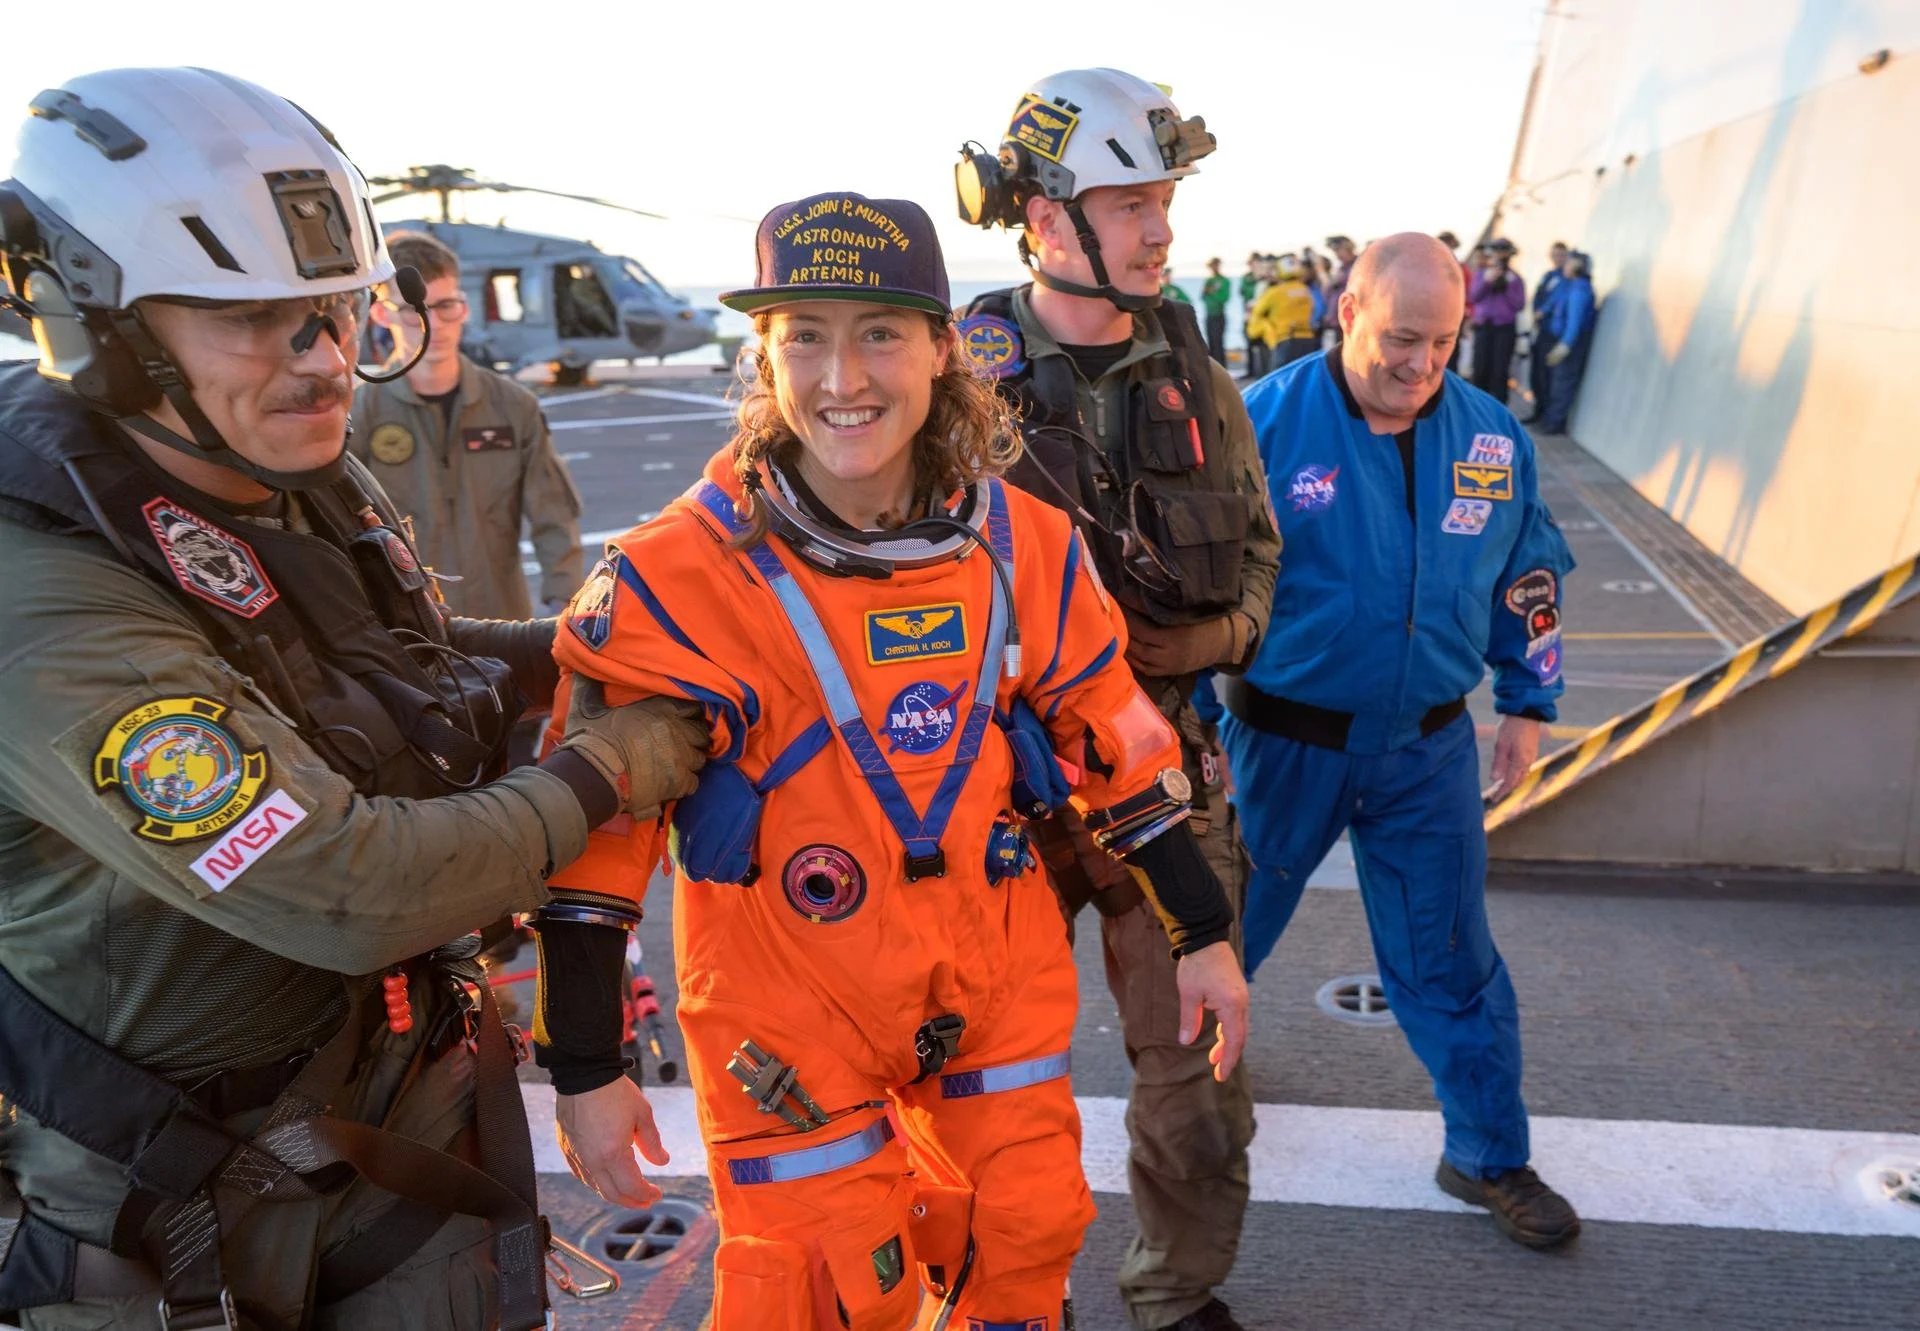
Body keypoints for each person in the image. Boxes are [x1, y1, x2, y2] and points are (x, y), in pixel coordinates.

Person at [0, 67, 691, 1329]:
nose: (325, 362)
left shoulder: (264, 469)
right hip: (183, 1207)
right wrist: (617, 760)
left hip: (391, 1125)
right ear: (102, 329)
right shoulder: (44, 595)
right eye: (258, 317)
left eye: (332, 310)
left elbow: (395, 660)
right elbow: (346, 885)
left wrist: (600, 641)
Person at [539, 191, 1250, 1331]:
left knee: (1023, 1239)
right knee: (824, 1290)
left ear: (940, 348)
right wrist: (585, 1059)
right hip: (786, 1008)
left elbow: (1120, 742)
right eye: (804, 336)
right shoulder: (678, 576)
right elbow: (598, 840)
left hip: (992, 977)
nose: (843, 376)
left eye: (878, 331)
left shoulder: (1030, 547)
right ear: (763, 356)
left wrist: (1202, 934)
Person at [952, 68, 1279, 1331]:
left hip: (1166, 773)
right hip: (1001, 787)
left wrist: (1214, 631)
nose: (1162, 229)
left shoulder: (1193, 369)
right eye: (1133, 201)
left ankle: (1175, 1290)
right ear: (1045, 219)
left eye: (1164, 201)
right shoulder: (951, 381)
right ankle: (993, 1292)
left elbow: (1257, 546)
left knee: (1197, 1083)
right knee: (970, 1066)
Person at [1221, 233, 1582, 1250]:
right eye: (1401, 338)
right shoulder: (1260, 424)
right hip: (1276, 744)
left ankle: (1487, 1153)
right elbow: (1185, 587)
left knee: (1451, 955)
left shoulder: (1493, 437)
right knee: (1217, 940)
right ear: (1346, 312)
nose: (1420, 365)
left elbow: (1530, 570)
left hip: (1427, 750)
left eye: (1443, 342)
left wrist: (1527, 701)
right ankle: (1197, 1113)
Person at [351, 230, 582, 621]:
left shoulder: (513, 406)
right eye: (414, 309)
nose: (434, 324)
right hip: (409, 630)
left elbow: (554, 517)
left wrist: (567, 610)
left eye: (447, 306)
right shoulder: (360, 411)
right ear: (380, 313)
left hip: (503, 622)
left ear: (465, 306)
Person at [1537, 249, 1595, 434]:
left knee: (1563, 383)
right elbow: (1554, 301)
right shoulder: (1569, 285)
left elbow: (1574, 322)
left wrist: (1565, 345)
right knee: (1555, 381)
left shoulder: (1580, 291)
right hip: (1557, 338)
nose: (1565, 266)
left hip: (1570, 344)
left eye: (1569, 263)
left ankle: (1555, 423)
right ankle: (1549, 418)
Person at [1468, 237, 1526, 401]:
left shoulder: (1515, 278)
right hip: (1484, 327)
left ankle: (1498, 411)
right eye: (1496, 251)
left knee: (1500, 371)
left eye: (1503, 251)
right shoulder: (1482, 274)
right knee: (1480, 369)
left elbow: (1519, 304)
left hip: (1504, 329)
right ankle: (1475, 406)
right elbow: (1473, 296)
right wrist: (1487, 281)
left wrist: (1507, 286)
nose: (1499, 255)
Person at [1248, 255, 1318, 370]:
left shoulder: (1274, 292)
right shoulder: (1306, 290)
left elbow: (1257, 311)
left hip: (1285, 340)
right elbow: (1314, 310)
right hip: (1307, 338)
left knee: (1281, 379)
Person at [1527, 240, 1569, 412]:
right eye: (1555, 255)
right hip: (1541, 329)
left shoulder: (1566, 279)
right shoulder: (1549, 276)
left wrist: (1543, 310)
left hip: (1553, 332)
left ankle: (1546, 412)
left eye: (1561, 255)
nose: (1557, 258)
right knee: (1536, 371)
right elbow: (1538, 297)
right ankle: (1537, 408)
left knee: (1548, 374)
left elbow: (1555, 301)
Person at [1322, 234, 1357, 344]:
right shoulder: (1340, 270)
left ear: (1348, 247)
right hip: (1337, 323)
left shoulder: (1359, 266)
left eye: (1338, 250)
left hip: (1353, 321)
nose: (1337, 255)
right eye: (1334, 251)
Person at [1201, 256, 1232, 364]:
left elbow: (1224, 298)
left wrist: (1212, 293)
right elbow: (1203, 297)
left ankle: (1222, 367)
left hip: (1219, 314)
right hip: (1209, 314)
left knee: (1218, 342)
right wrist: (1210, 293)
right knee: (1210, 342)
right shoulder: (1209, 281)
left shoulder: (1224, 281)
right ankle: (1214, 369)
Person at [1238, 251, 1265, 377]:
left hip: (1261, 314)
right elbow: (1243, 292)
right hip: (1249, 313)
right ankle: (1251, 371)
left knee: (1262, 344)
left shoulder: (1263, 278)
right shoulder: (1247, 277)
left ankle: (1261, 371)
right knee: (1249, 342)